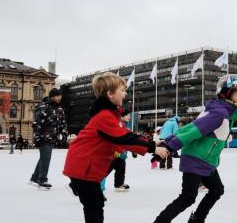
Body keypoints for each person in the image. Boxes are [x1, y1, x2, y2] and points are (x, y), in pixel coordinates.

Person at [63, 72, 168, 223]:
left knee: (96, 202)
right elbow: (123, 138)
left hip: (85, 166)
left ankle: (76, 186)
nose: (125, 94)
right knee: (94, 205)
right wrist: (153, 148)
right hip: (83, 166)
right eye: (123, 90)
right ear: (110, 94)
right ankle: (76, 186)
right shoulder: (104, 116)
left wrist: (151, 143)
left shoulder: (111, 115)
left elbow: (125, 134)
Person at [154, 74, 237, 223]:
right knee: (187, 197)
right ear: (227, 92)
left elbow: (188, 128)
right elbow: (192, 131)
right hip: (196, 158)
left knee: (217, 190)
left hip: (206, 160)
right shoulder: (220, 113)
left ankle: (197, 219)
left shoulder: (223, 111)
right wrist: (168, 146)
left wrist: (168, 141)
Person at [30, 88, 67, 190]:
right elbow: (37, 123)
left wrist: (63, 133)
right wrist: (37, 137)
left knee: (43, 158)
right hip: (44, 137)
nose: (60, 98)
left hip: (53, 137)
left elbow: (63, 123)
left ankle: (34, 178)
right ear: (52, 96)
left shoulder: (59, 109)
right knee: (46, 158)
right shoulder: (44, 107)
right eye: (57, 96)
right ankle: (42, 180)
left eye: (60, 96)